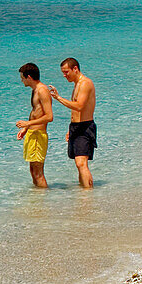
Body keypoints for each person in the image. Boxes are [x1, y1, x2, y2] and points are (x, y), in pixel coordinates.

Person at [47, 58, 97, 189]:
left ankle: (88, 196)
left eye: (66, 72)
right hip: (76, 127)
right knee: (78, 163)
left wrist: (58, 98)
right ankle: (84, 194)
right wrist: (71, 128)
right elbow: (76, 112)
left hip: (85, 126)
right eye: (63, 73)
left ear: (75, 69)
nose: (64, 76)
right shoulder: (77, 84)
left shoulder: (85, 83)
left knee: (81, 163)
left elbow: (79, 106)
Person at [16, 62, 53, 188]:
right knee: (32, 171)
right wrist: (26, 128)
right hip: (32, 133)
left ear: (29, 77)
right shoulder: (35, 90)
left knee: (38, 173)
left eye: (22, 78)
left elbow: (49, 116)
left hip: (38, 135)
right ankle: (37, 202)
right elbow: (35, 112)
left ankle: (43, 203)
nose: (22, 81)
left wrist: (28, 123)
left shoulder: (42, 91)